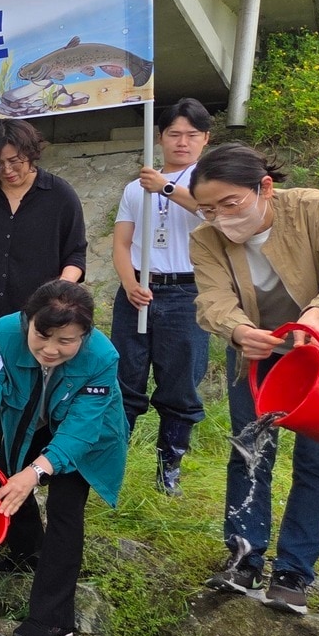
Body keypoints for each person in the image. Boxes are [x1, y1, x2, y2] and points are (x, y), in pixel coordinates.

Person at [189, 143, 319, 615]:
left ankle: (293, 571)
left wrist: (318, 313)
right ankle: (244, 557)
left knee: (318, 461)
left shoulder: (316, 209)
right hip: (260, 357)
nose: (220, 218)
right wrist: (237, 330)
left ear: (265, 188)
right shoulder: (206, 239)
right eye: (208, 209)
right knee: (249, 452)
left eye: (230, 204)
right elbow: (212, 299)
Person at [0, 281, 127, 636]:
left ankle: (53, 619)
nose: (50, 350)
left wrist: (36, 471)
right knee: (4, 471)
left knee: (65, 508)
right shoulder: (3, 332)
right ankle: (27, 551)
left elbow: (80, 429)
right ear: (27, 320)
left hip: (87, 434)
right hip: (28, 416)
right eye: (42, 335)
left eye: (66, 341)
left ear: (86, 333)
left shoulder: (102, 357)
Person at [110, 98, 213, 495]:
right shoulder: (136, 187)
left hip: (187, 291)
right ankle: (111, 463)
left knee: (180, 381)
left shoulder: (209, 179)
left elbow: (213, 213)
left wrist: (167, 187)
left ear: (205, 138)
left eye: (191, 135)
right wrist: (129, 283)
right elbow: (121, 243)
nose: (182, 142)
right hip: (139, 289)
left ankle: (168, 470)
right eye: (174, 134)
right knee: (124, 379)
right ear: (161, 137)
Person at [0, 119, 88, 371]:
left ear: (30, 153)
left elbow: (75, 254)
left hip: (40, 323)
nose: (7, 169)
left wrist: (59, 293)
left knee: (36, 399)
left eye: (15, 161)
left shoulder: (59, 195)